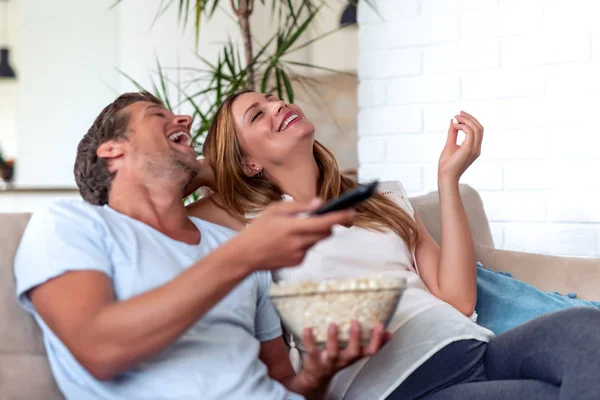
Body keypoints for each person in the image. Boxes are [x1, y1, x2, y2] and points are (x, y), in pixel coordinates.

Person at [187, 89, 600, 400]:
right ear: (246, 162)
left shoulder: (382, 197)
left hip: (473, 346)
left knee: (584, 330)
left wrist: (447, 179)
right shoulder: (251, 222)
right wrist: (214, 166)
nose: (277, 106)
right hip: (401, 384)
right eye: (258, 113)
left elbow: (456, 298)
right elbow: (154, 199)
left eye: (275, 99)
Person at [12, 91, 390, 400]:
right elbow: (99, 349)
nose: (185, 120)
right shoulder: (69, 225)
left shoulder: (231, 245)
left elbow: (283, 383)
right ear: (112, 149)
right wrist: (242, 256)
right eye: (157, 115)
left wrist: (315, 377)